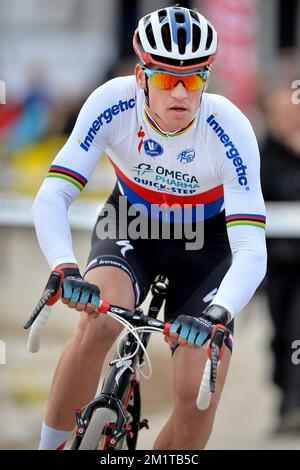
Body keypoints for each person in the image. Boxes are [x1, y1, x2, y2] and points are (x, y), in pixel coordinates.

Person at [32, 6, 267, 450]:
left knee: (197, 399)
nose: (180, 92)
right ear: (141, 77)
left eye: (193, 78)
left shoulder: (230, 128)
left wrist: (218, 313)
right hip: (131, 225)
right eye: (164, 79)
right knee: (97, 323)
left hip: (207, 247)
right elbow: (53, 195)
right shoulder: (111, 102)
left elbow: (252, 248)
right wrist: (64, 266)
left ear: (206, 79)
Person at [260, 81, 300, 434]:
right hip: (275, 263)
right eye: (281, 114)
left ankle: (294, 405)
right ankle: (284, 396)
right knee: (278, 335)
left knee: (297, 330)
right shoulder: (263, 153)